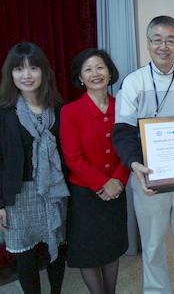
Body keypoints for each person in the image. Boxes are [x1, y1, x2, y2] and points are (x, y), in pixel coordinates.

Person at [112, 15, 174, 294]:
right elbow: (122, 131)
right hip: (148, 178)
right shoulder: (133, 82)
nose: (163, 46)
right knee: (153, 244)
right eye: (157, 39)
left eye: (171, 40)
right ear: (148, 43)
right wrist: (134, 164)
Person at [0, 42, 69, 293]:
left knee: (57, 248)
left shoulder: (59, 109)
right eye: (19, 69)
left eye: (33, 68)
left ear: (44, 72)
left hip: (54, 190)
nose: (27, 75)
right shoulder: (4, 112)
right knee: (25, 255)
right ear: (11, 74)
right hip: (17, 196)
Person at [60, 48, 130, 294]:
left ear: (110, 72)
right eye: (87, 69)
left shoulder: (123, 106)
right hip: (86, 195)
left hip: (117, 189)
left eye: (100, 67)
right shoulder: (70, 111)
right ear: (80, 77)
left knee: (111, 249)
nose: (95, 73)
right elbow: (73, 158)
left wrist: (118, 180)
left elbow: (129, 148)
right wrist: (103, 183)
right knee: (89, 253)